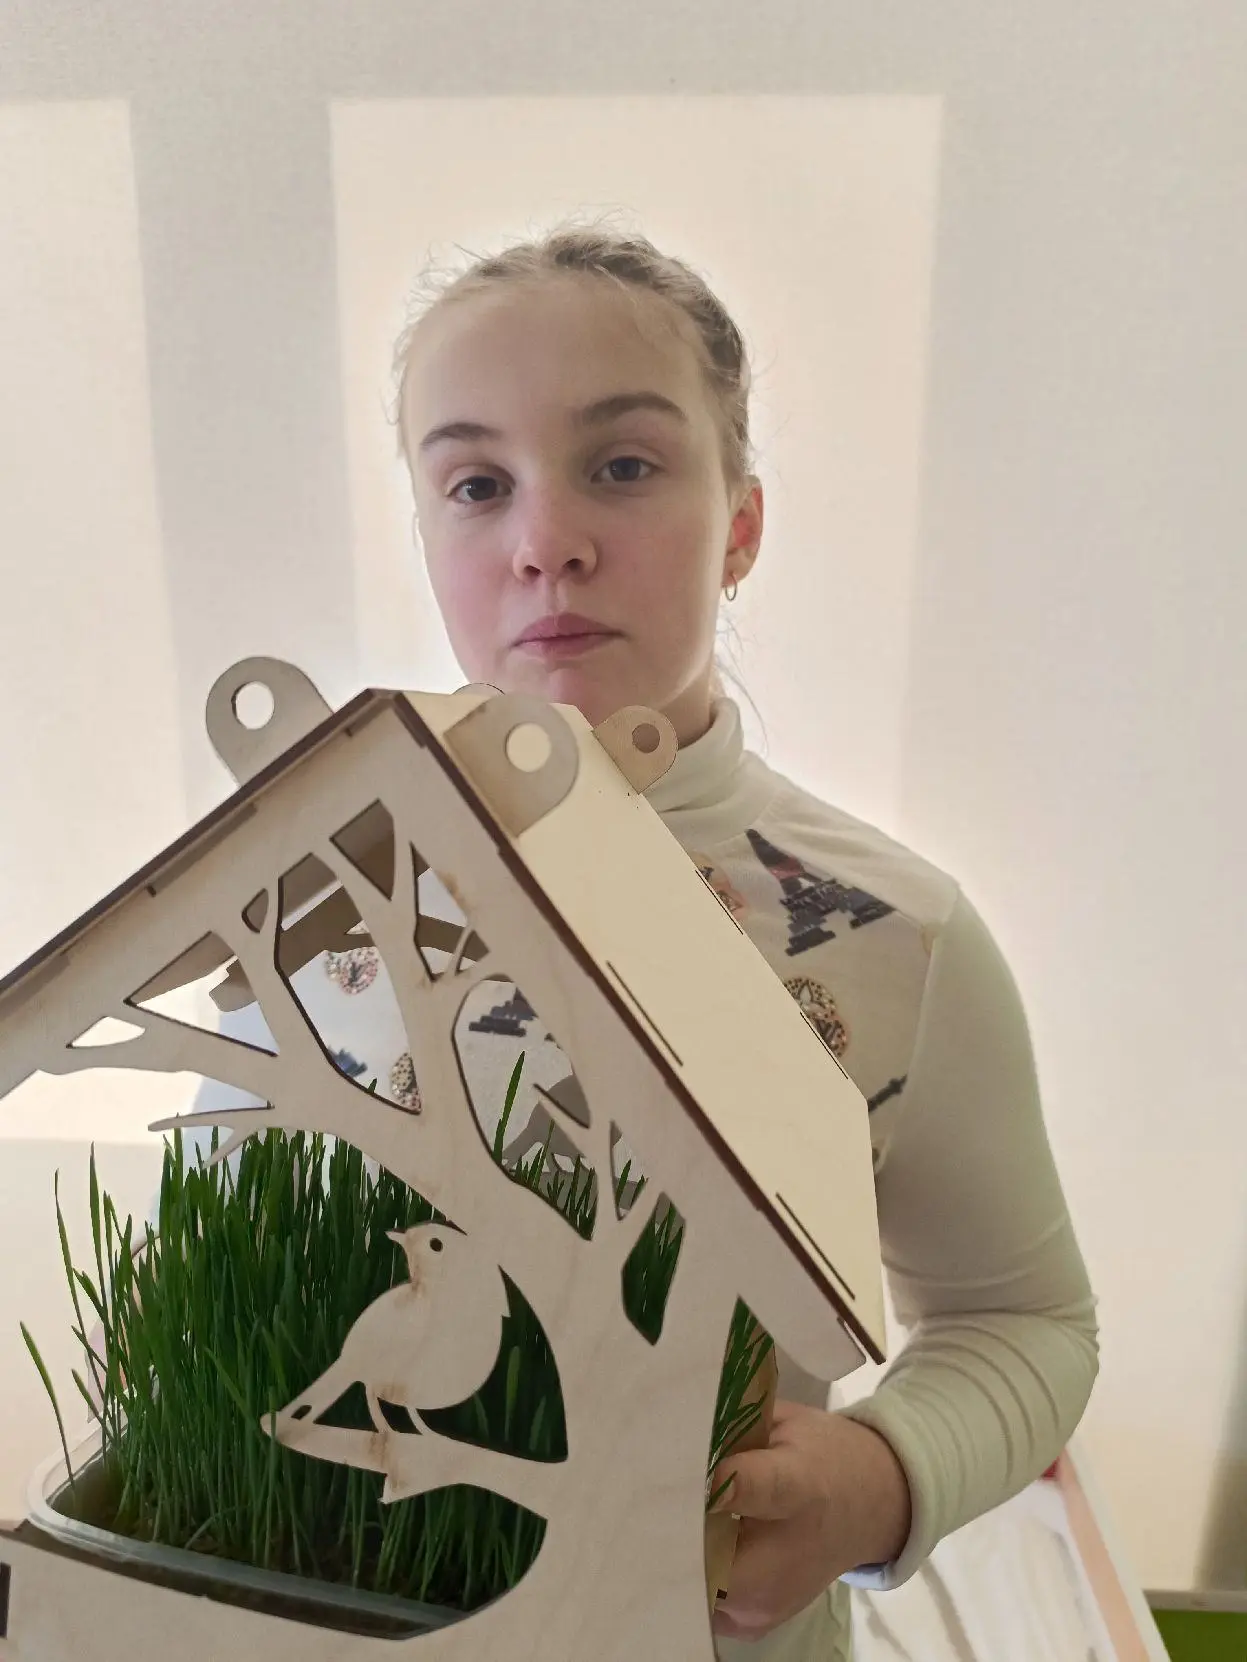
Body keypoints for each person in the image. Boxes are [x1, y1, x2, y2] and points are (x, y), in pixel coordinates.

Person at [189, 223, 1099, 1659]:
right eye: (476, 484)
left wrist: (877, 1477)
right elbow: (217, 1284)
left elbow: (1027, 1318)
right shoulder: (305, 893)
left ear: (741, 524)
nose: (544, 540)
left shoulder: (892, 934)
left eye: (621, 465)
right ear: (427, 538)